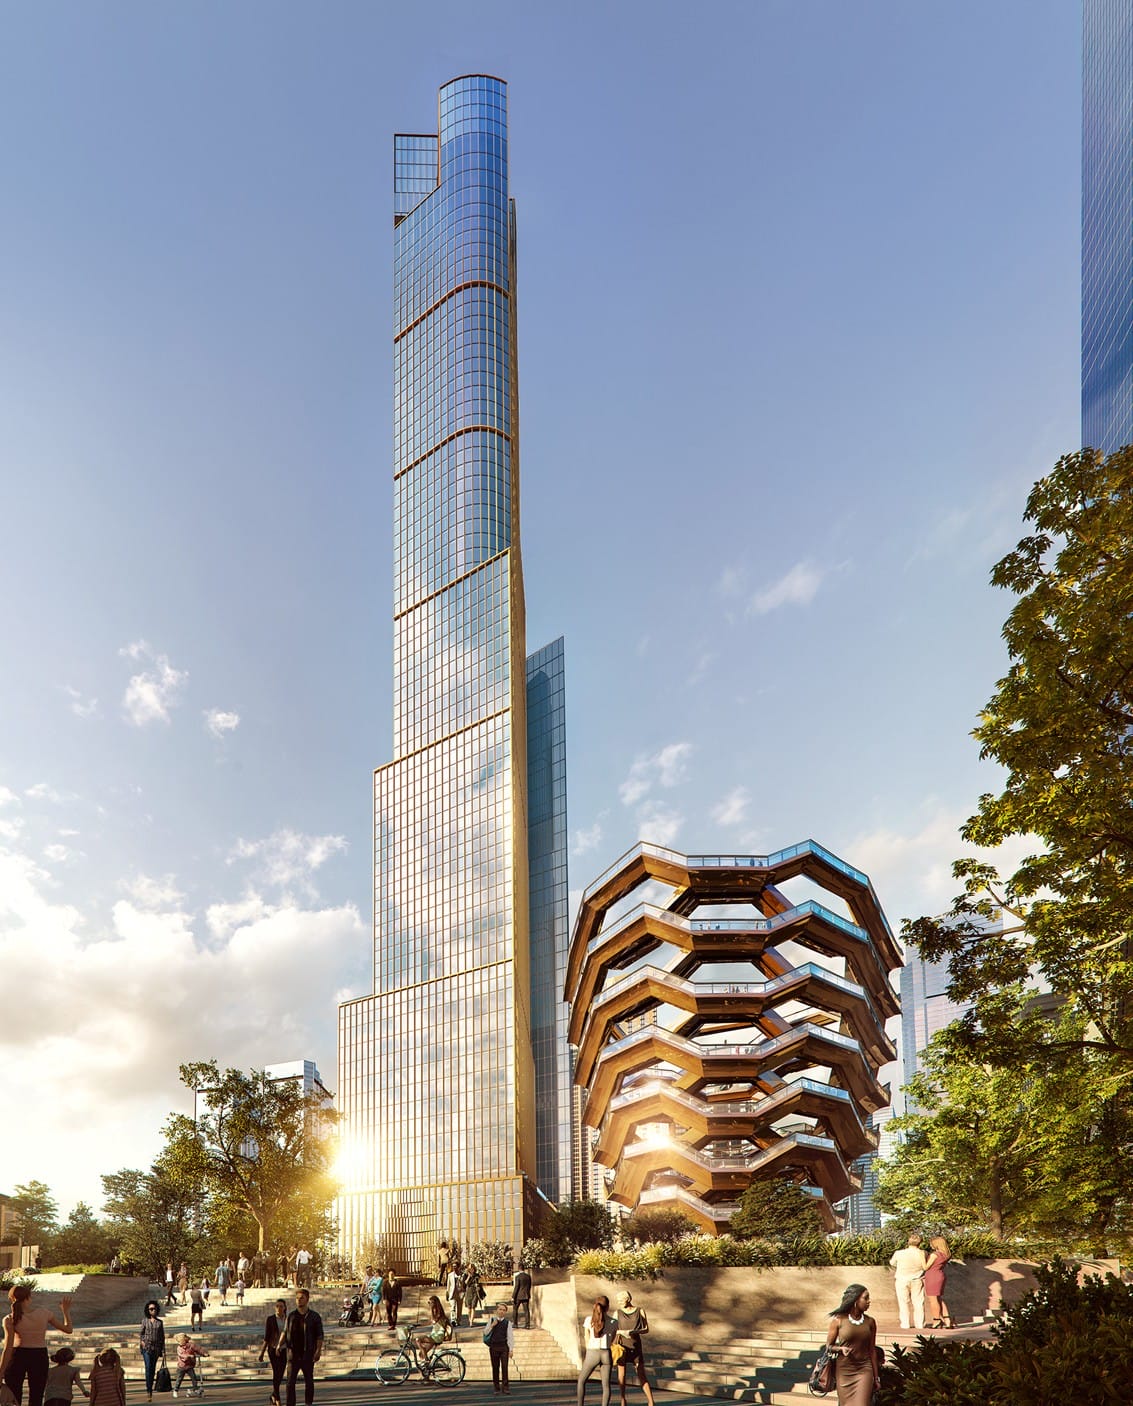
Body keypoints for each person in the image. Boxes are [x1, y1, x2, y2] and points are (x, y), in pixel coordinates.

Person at [1, 1286, 74, 1406]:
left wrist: (0, 1372)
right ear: (29, 1298)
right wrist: (65, 1311)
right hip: (39, 1356)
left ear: (11, 1299)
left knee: (13, 1398)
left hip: (17, 1356)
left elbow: (7, 1348)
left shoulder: (9, 1319)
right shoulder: (43, 1313)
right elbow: (68, 1329)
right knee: (36, 1396)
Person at [824, 1284, 880, 1406]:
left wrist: (876, 1378)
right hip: (844, 1370)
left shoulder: (870, 1322)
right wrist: (840, 1349)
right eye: (865, 1298)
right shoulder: (838, 1321)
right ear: (855, 1300)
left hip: (864, 1369)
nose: (869, 1301)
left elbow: (872, 1350)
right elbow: (828, 1347)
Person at [280, 1289, 323, 1406]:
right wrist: (279, 1345)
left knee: (309, 1381)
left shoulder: (314, 1317)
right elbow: (285, 1331)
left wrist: (318, 1351)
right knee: (290, 1382)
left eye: (301, 1298)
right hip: (292, 1354)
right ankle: (290, 1403)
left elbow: (319, 1336)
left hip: (307, 1353)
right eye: (297, 1298)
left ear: (307, 1299)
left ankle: (308, 1403)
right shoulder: (291, 1316)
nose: (299, 1300)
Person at [613, 1291, 655, 1406]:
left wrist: (634, 1332)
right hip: (622, 1346)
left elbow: (646, 1329)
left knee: (641, 1373)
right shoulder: (617, 1313)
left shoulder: (640, 1311)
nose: (619, 1303)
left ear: (628, 1299)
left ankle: (651, 1401)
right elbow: (613, 1330)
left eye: (621, 1300)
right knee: (622, 1374)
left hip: (636, 1345)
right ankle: (623, 1400)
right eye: (618, 1301)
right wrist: (620, 1332)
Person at [576, 1296, 613, 1406]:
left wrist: (589, 1349)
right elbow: (613, 1339)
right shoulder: (614, 1322)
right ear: (608, 1307)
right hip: (606, 1352)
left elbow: (586, 1337)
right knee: (606, 1385)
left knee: (581, 1380)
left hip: (593, 1352)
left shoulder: (589, 1320)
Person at [889, 1233, 928, 1331]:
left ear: (908, 1242)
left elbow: (892, 1263)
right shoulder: (923, 1253)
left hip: (902, 1279)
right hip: (917, 1279)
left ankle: (905, 1324)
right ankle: (920, 1324)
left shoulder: (899, 1253)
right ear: (920, 1243)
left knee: (903, 1303)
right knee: (918, 1302)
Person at [257, 1298, 289, 1406]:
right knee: (276, 1372)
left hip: (284, 1349)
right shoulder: (270, 1319)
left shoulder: (288, 1319)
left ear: (285, 1308)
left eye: (281, 1306)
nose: (279, 1308)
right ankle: (277, 1398)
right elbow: (267, 1337)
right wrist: (262, 1353)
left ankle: (273, 1395)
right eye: (277, 1306)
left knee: (280, 1373)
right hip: (273, 1349)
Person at [924, 1235, 954, 1329]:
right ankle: (947, 1319)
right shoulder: (945, 1254)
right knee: (939, 1298)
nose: (931, 1245)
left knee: (933, 1299)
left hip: (932, 1276)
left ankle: (936, 1320)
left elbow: (926, 1267)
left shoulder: (935, 1255)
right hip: (940, 1275)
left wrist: (922, 1258)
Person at [483, 1303, 514, 1395]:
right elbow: (485, 1332)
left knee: (505, 1367)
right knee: (495, 1368)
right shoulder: (492, 1320)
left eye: (504, 1310)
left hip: (504, 1347)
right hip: (494, 1347)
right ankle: (496, 1388)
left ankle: (505, 1387)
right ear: (497, 1310)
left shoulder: (507, 1323)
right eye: (500, 1309)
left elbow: (510, 1337)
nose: (501, 1311)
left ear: (505, 1312)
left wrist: (511, 1349)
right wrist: (492, 1325)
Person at [139, 1300, 166, 1402]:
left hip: (156, 1348)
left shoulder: (159, 1322)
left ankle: (150, 1386)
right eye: (151, 1309)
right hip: (147, 1348)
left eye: (154, 1309)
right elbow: (141, 1333)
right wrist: (142, 1342)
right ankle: (148, 1390)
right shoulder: (144, 1321)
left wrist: (163, 1349)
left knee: (152, 1369)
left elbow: (162, 1336)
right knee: (148, 1367)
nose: (153, 1311)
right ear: (148, 1310)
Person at [413, 1297, 451, 1363]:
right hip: (433, 1335)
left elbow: (434, 1320)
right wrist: (418, 1325)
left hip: (437, 1336)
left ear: (435, 1303)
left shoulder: (439, 1312)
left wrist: (431, 1309)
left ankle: (427, 1360)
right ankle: (428, 1364)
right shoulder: (435, 1311)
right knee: (421, 1354)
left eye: (431, 1303)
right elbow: (430, 1322)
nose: (430, 1304)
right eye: (429, 1303)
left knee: (418, 1340)